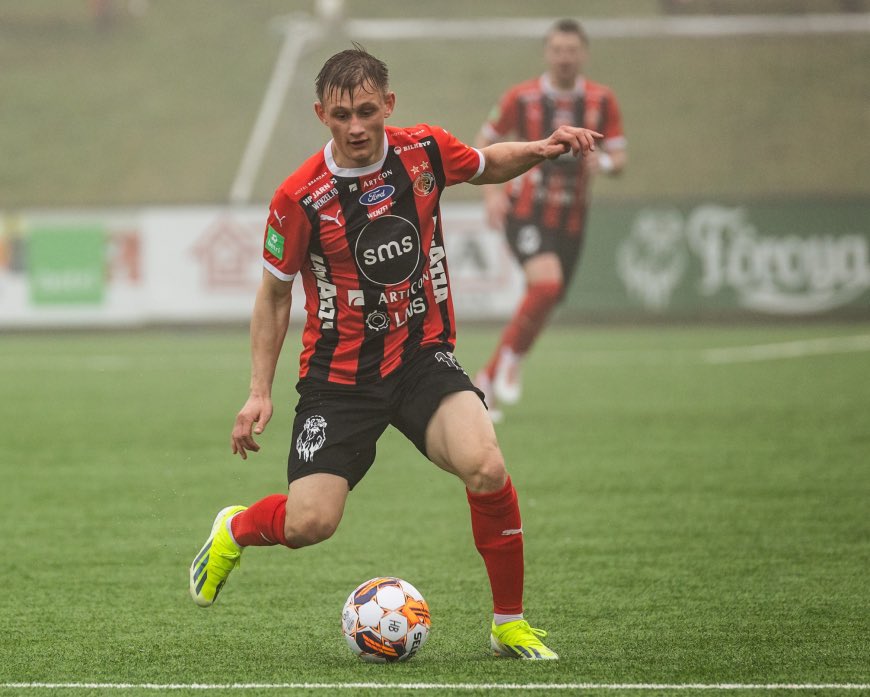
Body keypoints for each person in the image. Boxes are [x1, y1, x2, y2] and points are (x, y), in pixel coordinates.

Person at [188, 45, 601, 661]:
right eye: (341, 115)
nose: (355, 127)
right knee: (310, 523)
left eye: (366, 111)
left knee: (487, 466)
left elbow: (486, 163)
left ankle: (509, 623)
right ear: (321, 115)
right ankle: (235, 529)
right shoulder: (300, 196)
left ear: (388, 104)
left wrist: (541, 149)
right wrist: (257, 392)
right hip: (338, 379)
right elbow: (273, 295)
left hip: (420, 357)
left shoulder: (424, 150)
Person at [473, 19, 626, 418]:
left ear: (583, 54)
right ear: (547, 53)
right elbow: (484, 140)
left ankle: (489, 378)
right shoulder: (521, 97)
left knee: (547, 299)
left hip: (572, 218)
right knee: (546, 284)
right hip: (525, 210)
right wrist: (491, 194)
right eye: (557, 50)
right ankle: (509, 361)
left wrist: (603, 164)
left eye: (571, 50)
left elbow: (620, 158)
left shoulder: (602, 100)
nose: (564, 57)